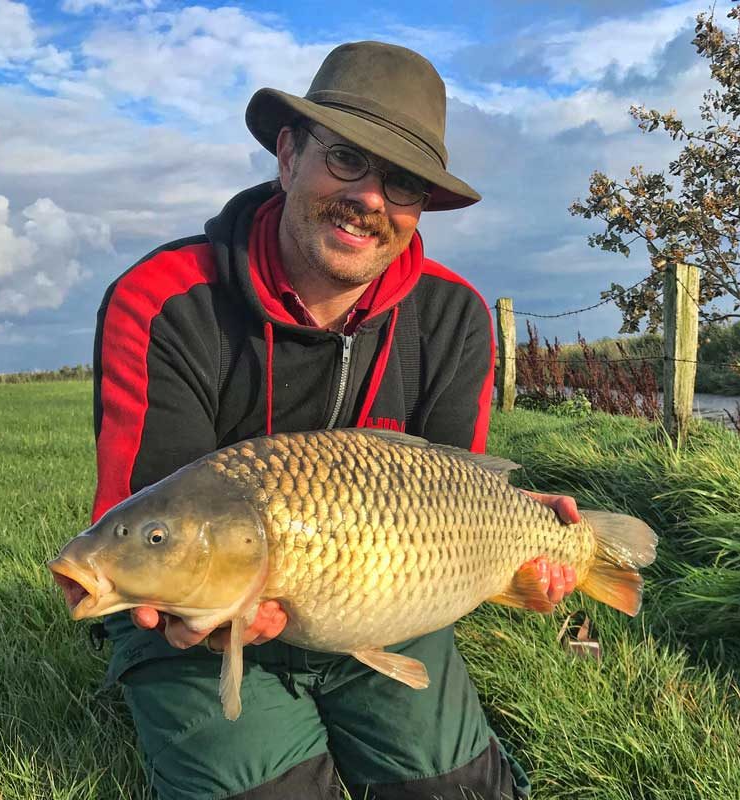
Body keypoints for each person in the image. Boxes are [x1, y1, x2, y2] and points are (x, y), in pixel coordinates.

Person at [90, 40, 580, 800]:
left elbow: (459, 497)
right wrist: (179, 611)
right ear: (288, 155)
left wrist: (518, 563)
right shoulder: (163, 302)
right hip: (217, 607)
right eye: (347, 159)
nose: (373, 199)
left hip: (386, 597)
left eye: (405, 182)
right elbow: (158, 521)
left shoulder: (455, 316)